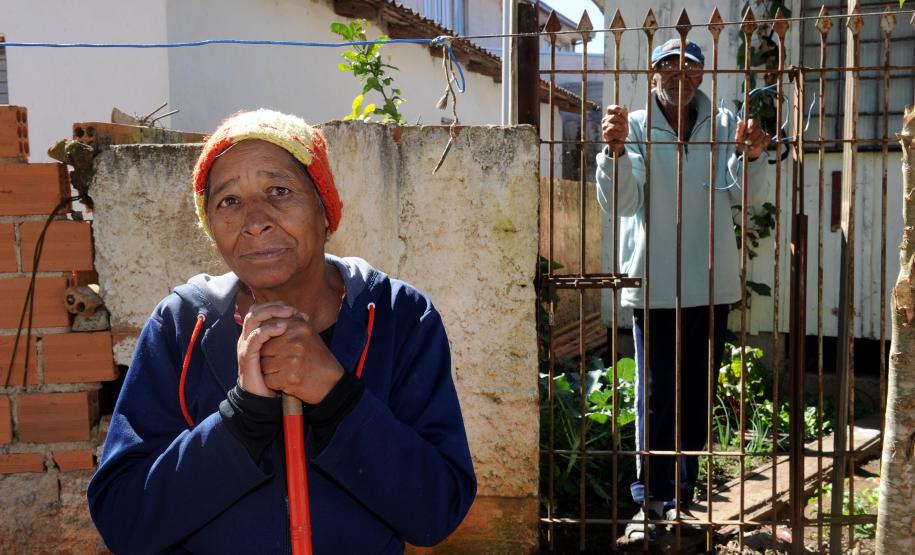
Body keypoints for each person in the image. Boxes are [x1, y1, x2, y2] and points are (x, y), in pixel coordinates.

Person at [87, 109, 477, 554]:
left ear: (325, 209)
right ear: (211, 229)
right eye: (229, 201)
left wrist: (336, 397)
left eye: (279, 191)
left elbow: (436, 512)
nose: (255, 221)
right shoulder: (182, 325)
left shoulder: (398, 316)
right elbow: (125, 522)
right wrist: (242, 417)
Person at [596, 39, 771, 541]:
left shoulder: (723, 124)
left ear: (700, 75)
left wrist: (750, 155)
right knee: (655, 397)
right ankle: (648, 502)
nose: (679, 75)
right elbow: (622, 204)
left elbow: (741, 195)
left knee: (696, 396)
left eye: (689, 66)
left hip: (709, 283)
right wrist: (613, 151)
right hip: (653, 284)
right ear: (652, 74)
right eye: (667, 65)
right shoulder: (631, 126)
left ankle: (681, 498)